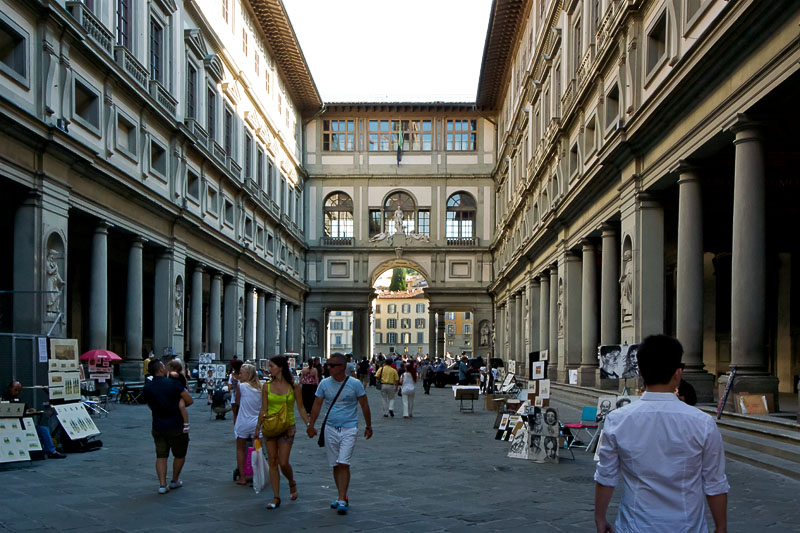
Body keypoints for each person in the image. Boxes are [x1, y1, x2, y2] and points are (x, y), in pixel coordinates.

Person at [594, 335, 729, 533]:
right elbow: (715, 482)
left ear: (640, 372)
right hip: (687, 526)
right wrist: (721, 526)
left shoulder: (617, 420)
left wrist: (600, 517)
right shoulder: (703, 423)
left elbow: (606, 475)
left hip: (635, 525)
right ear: (678, 373)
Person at [306, 353, 373, 515]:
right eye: (327, 365)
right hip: (330, 427)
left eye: (332, 365)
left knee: (343, 462)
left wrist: (368, 426)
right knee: (335, 464)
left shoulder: (355, 384)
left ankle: (342, 498)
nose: (328, 368)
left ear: (342, 367)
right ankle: (341, 494)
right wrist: (311, 425)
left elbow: (364, 405)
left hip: (349, 428)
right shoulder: (324, 384)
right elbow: (316, 405)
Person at [255, 356, 310, 509]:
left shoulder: (294, 386)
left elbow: (301, 407)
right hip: (270, 427)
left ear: (280, 367)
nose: (269, 369)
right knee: (272, 462)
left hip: (287, 427)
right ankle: (276, 497)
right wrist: (257, 428)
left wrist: (308, 424)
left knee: (283, 462)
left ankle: (291, 482)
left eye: (271, 366)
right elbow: (263, 409)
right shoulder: (266, 386)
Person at [141, 360, 194, 494]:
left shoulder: (148, 387)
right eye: (163, 367)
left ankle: (162, 485)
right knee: (180, 455)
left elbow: (148, 403)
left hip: (158, 425)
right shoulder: (174, 384)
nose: (166, 368)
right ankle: (174, 480)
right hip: (176, 424)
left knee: (161, 456)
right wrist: (178, 407)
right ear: (160, 369)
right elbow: (189, 400)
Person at [2, 381, 66, 459]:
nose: (18, 392)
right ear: (10, 389)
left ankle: (52, 451)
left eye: (20, 390)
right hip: (10, 427)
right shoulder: (3, 400)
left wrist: (30, 410)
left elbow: (26, 409)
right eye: (16, 390)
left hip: (24, 425)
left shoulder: (19, 400)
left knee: (44, 429)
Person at [233, 364, 263, 485]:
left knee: (240, 449)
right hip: (257, 423)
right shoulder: (262, 387)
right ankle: (258, 476)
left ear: (248, 374)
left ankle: (243, 477)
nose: (239, 375)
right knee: (258, 450)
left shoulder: (242, 386)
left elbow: (237, 402)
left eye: (242, 373)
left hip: (243, 421)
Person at [166, 359, 190, 434]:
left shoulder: (177, 374)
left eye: (169, 367)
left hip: (181, 392)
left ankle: (186, 423)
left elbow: (184, 381)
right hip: (175, 392)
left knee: (181, 406)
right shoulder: (169, 373)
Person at [229, 359, 243, 424]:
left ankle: (236, 430)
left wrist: (234, 386)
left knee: (235, 415)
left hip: (234, 397)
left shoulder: (231, 376)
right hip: (243, 397)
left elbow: (229, 387)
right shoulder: (244, 376)